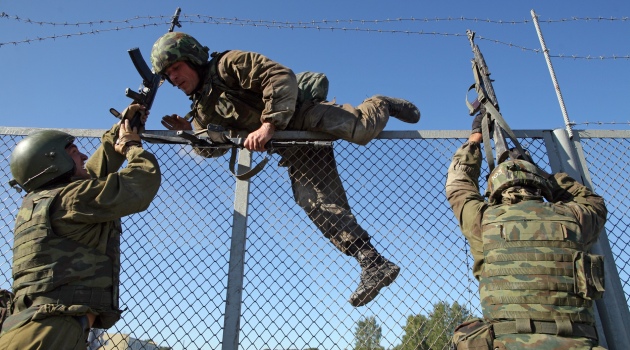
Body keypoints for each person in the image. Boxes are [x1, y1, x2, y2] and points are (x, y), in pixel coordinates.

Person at [150, 31, 421, 307]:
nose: (173, 77)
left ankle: (380, 103)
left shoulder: (228, 65)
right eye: (168, 74)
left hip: (302, 114)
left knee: (360, 129)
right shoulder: (201, 111)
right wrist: (189, 134)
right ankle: (373, 263)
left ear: (193, 59)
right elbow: (214, 148)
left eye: (176, 67)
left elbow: (280, 76)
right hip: (292, 146)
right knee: (314, 201)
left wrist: (268, 124)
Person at [0, 105, 161, 350]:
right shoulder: (72, 199)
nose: (84, 157)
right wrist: (131, 145)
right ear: (53, 161)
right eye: (75, 152)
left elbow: (91, 176)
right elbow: (141, 181)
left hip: (34, 326)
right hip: (51, 333)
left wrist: (118, 131)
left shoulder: (43, 200)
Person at [445, 115, 608, 349]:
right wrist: (545, 175)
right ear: (539, 185)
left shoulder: (484, 221)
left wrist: (475, 139)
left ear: (495, 189)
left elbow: (458, 184)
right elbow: (594, 202)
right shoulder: (573, 218)